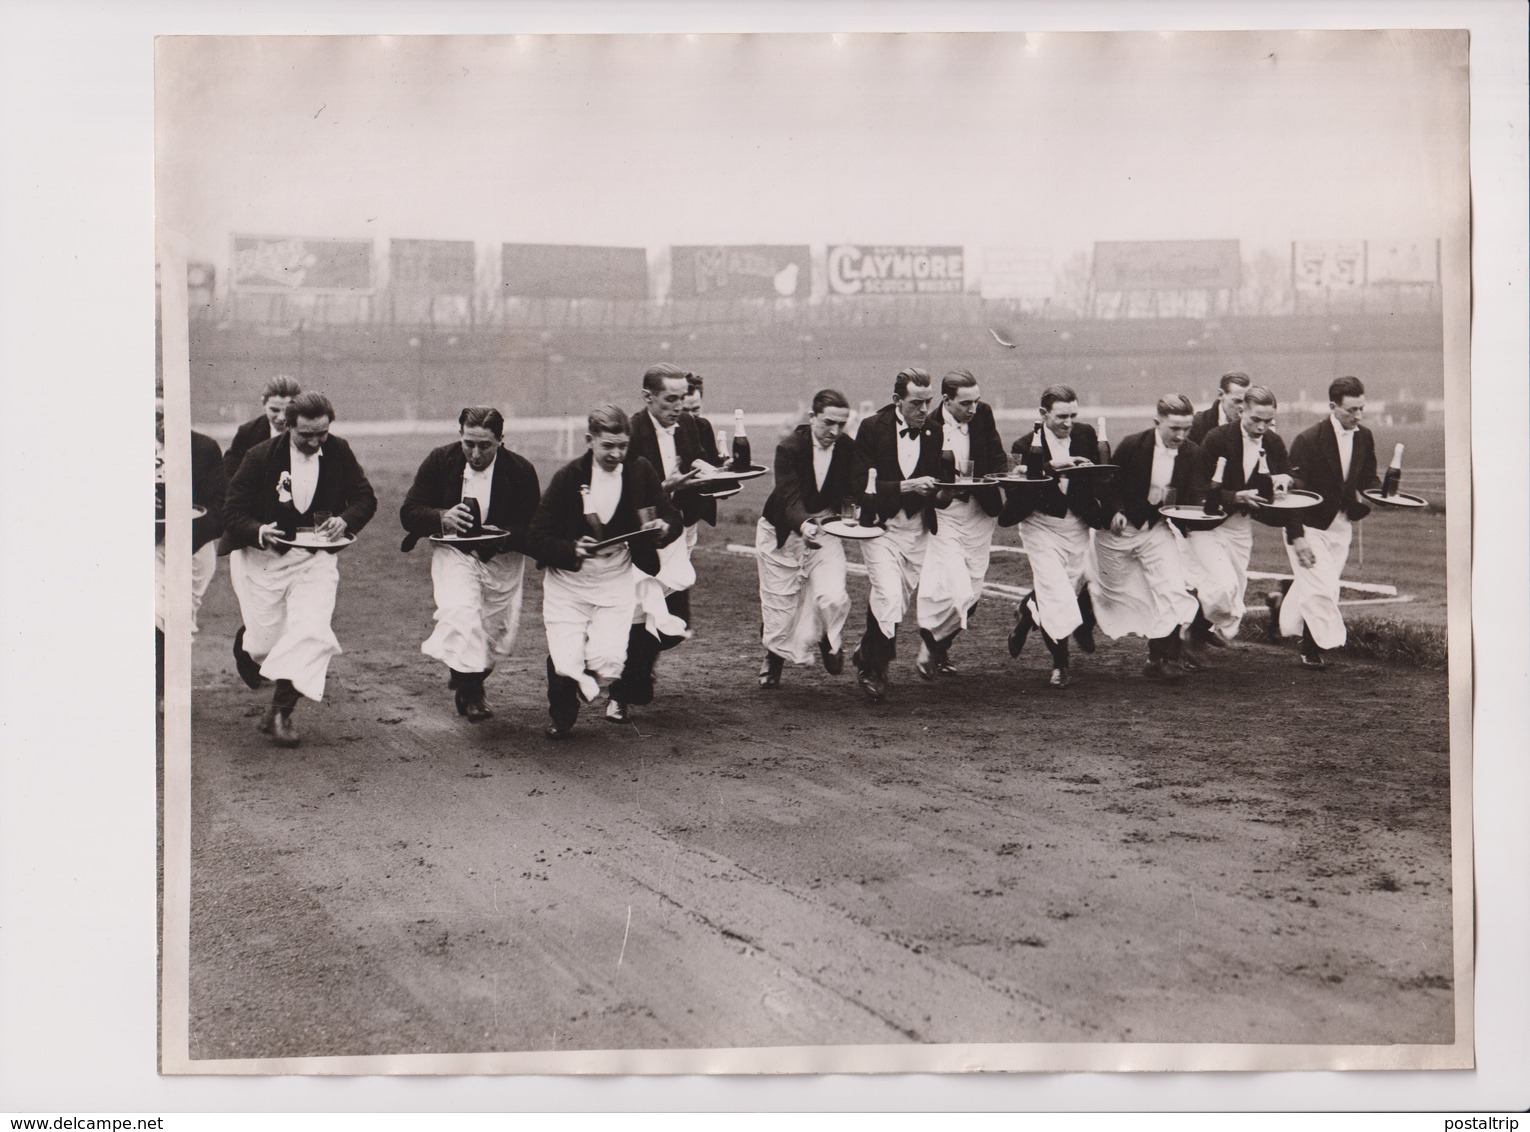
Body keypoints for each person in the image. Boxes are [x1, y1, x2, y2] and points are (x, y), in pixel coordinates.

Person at [222, 392, 377, 747]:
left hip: (315, 558)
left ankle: (281, 711)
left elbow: (365, 498)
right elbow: (233, 510)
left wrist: (344, 519)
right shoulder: (260, 456)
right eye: (305, 434)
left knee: (311, 632)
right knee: (266, 646)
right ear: (287, 426)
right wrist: (259, 530)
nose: (314, 441)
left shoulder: (338, 450)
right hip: (263, 559)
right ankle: (248, 643)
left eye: (321, 433)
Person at [528, 405, 686, 739]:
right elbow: (537, 536)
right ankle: (562, 709)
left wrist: (662, 527)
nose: (616, 454)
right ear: (590, 441)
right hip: (569, 581)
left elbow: (672, 516)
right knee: (566, 661)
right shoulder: (568, 478)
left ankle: (573, 662)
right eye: (607, 447)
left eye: (622, 446)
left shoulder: (640, 471)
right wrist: (571, 549)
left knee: (610, 657)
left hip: (616, 575)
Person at [399, 407, 542, 722]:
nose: (475, 454)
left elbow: (535, 526)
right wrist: (441, 516)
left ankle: (465, 677)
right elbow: (409, 510)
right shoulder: (440, 461)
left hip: (503, 561)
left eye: (485, 446)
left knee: (494, 634)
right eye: (469, 444)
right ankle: (473, 692)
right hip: (455, 553)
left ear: (500, 440)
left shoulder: (520, 471)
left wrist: (505, 535)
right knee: (461, 615)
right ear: (460, 435)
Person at [610, 363, 711, 722]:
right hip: (638, 539)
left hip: (675, 536)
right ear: (648, 398)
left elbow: (696, 470)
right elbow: (618, 492)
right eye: (670, 399)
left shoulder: (688, 428)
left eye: (683, 398)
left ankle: (636, 670)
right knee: (640, 615)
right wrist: (664, 489)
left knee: (676, 623)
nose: (679, 406)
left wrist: (713, 478)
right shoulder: (631, 433)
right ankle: (620, 693)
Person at [1092, 394, 1206, 681]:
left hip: (1156, 529)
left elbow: (1192, 496)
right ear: (1157, 422)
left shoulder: (1192, 453)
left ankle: (1158, 658)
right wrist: (1115, 511)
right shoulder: (1133, 445)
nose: (1181, 435)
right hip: (1118, 532)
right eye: (1174, 428)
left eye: (1187, 429)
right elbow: (1108, 485)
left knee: (1172, 590)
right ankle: (1057, 613)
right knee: (1113, 596)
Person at [1271, 375, 1380, 669]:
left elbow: (1369, 476)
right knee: (1325, 589)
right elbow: (1294, 492)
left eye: (1361, 409)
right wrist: (1297, 536)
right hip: (1308, 526)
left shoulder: (1364, 436)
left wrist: (1381, 492)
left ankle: (1281, 609)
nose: (1358, 416)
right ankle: (1320, 646)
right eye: (1350, 410)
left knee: (1323, 585)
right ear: (1333, 406)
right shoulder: (1308, 440)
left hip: (1341, 525)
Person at [1000, 386, 1106, 688]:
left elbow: (1099, 478)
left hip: (1077, 526)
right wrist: (1051, 468)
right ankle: (1060, 664)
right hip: (1040, 526)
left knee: (1070, 590)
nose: (1068, 422)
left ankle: (1027, 613)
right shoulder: (1022, 444)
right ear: (1043, 415)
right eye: (1061, 416)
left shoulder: (1086, 435)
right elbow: (1016, 492)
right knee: (1057, 594)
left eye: (1073, 415)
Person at [849, 367, 940, 702]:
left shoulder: (934, 431)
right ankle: (873, 668)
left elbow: (940, 482)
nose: (923, 410)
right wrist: (907, 486)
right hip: (880, 528)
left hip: (917, 530)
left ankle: (865, 652)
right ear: (897, 400)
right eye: (916, 403)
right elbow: (859, 486)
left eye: (928, 402)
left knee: (898, 601)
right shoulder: (872, 428)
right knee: (887, 593)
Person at [755, 389, 856, 687]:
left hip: (826, 531)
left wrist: (850, 512)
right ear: (812, 417)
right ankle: (773, 659)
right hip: (783, 532)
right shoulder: (789, 448)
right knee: (781, 610)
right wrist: (804, 525)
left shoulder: (848, 448)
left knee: (833, 595)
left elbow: (852, 490)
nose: (835, 431)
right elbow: (788, 497)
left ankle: (827, 636)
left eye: (842, 424)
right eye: (828, 423)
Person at [1181, 385, 1296, 648]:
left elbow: (1289, 473)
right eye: (1255, 419)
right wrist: (1235, 497)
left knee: (1234, 588)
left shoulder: (1273, 442)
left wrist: (1286, 478)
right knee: (1222, 585)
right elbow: (1197, 487)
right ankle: (1188, 636)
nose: (1261, 427)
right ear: (1242, 410)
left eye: (1268, 421)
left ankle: (1196, 631)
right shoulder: (1217, 438)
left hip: (1240, 526)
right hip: (1208, 523)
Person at [912, 370, 1007, 679]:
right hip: (945, 511)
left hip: (979, 512)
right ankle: (929, 643)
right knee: (954, 585)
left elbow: (997, 456)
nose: (973, 409)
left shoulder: (983, 415)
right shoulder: (928, 425)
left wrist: (997, 477)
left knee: (974, 590)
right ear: (946, 400)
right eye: (966, 404)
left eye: (977, 402)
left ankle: (938, 648)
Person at [680, 371, 729, 553]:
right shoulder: (665, 432)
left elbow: (714, 466)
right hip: (665, 513)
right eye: (684, 411)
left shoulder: (703, 426)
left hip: (690, 514)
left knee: (682, 566)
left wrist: (726, 469)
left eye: (695, 409)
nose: (691, 417)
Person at [223, 374, 302, 483]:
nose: (281, 417)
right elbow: (230, 477)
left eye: (287, 410)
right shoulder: (247, 432)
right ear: (263, 404)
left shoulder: (310, 431)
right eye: (274, 410)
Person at [1188, 371, 1251, 444]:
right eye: (1237, 401)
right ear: (1220, 394)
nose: (1242, 407)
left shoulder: (1257, 424)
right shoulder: (1196, 425)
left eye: (1247, 402)